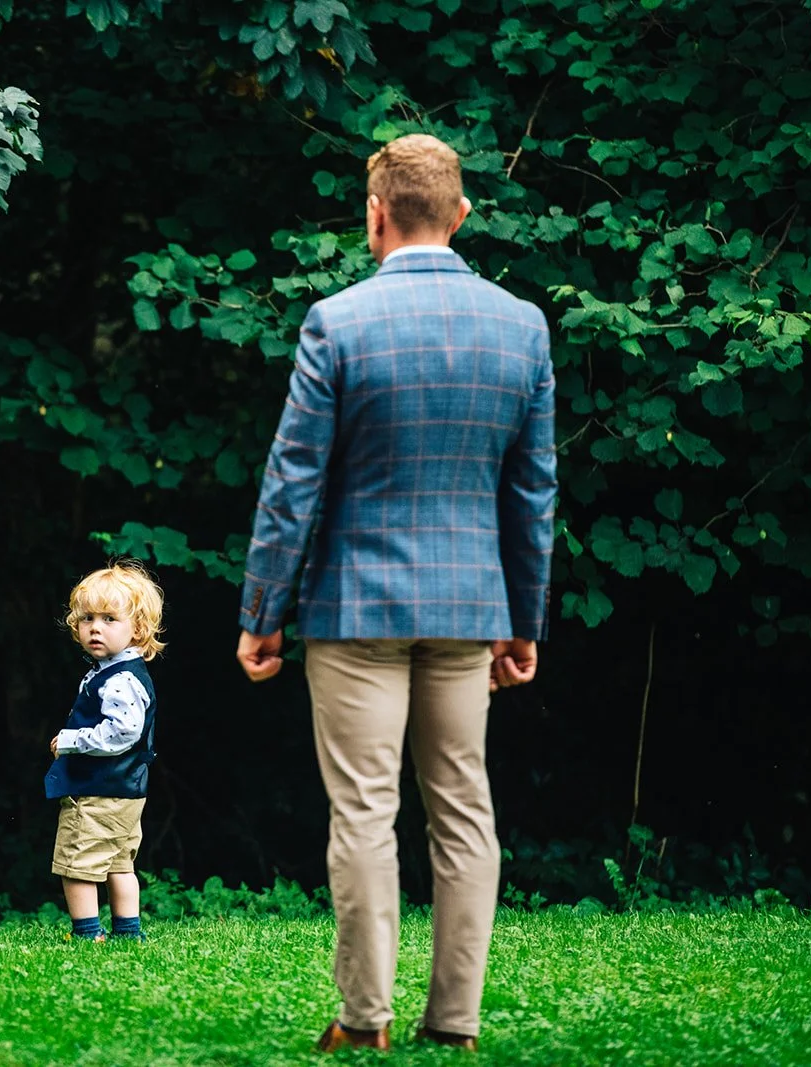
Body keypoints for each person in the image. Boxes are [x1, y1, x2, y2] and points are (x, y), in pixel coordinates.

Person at [235, 133, 557, 1052]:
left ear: (374, 214)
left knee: (365, 812)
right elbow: (531, 493)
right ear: (461, 214)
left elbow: (292, 482)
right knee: (464, 807)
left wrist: (263, 613)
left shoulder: (338, 321)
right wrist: (521, 620)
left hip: (354, 607)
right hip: (469, 608)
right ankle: (454, 1021)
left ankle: (365, 1018)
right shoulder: (521, 325)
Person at [44, 561, 165, 942]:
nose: (95, 627)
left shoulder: (121, 679)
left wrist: (70, 740)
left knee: (77, 865)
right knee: (118, 863)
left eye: (110, 618)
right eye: (87, 618)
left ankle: (87, 934)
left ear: (138, 629)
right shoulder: (112, 671)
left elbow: (122, 733)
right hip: (126, 790)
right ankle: (128, 933)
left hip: (100, 791)